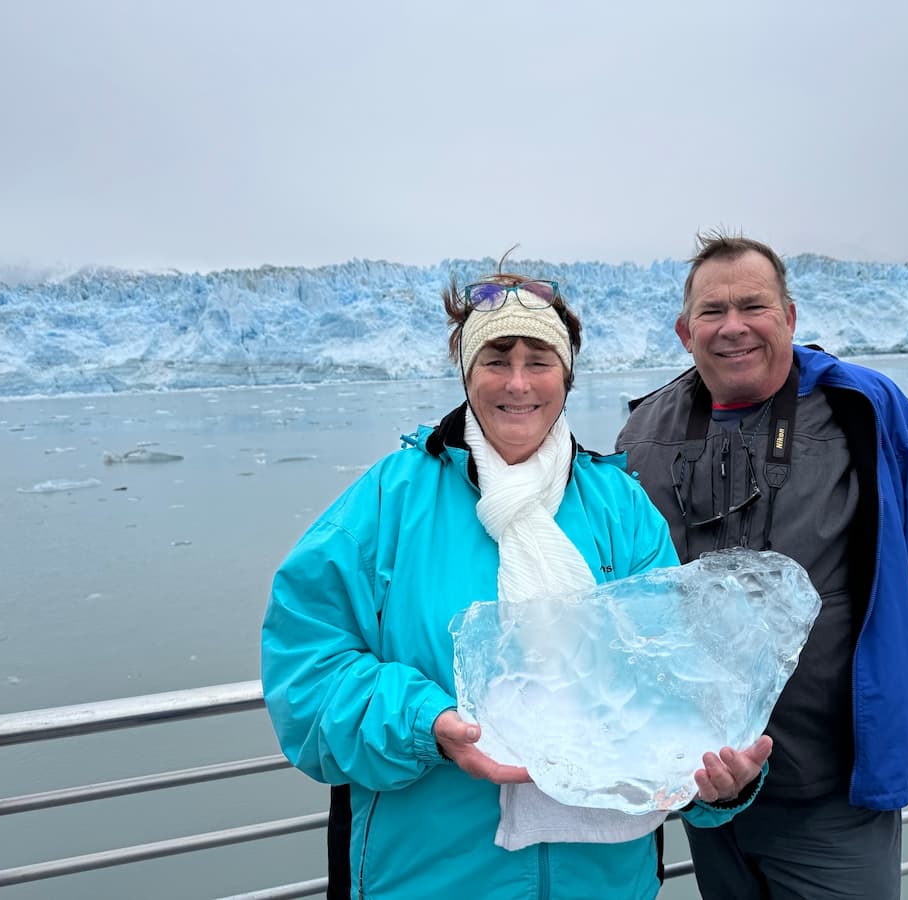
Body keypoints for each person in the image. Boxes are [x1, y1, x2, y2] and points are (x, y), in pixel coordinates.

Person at [262, 268, 773, 900]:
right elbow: (305, 676)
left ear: (567, 376)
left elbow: (677, 687)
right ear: (466, 373)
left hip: (606, 882)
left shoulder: (621, 509)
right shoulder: (388, 504)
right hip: (432, 878)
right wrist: (427, 724)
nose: (518, 383)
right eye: (496, 360)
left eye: (540, 361)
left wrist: (720, 782)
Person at [615, 232, 908, 899]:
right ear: (683, 329)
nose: (734, 328)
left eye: (753, 306)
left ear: (789, 316)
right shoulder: (644, 433)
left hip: (835, 789)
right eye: (712, 312)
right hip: (706, 787)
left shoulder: (866, 411)